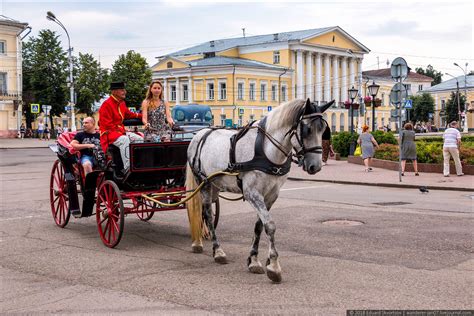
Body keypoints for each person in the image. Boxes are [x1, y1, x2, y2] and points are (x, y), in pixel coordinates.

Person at [99, 81, 143, 175]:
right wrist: (122, 130)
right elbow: (107, 125)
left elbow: (128, 114)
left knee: (139, 139)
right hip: (108, 134)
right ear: (114, 92)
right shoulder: (106, 104)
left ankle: (138, 165)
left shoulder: (121, 103)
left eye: (124, 90)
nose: (125, 92)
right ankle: (128, 168)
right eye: (122, 90)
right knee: (125, 140)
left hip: (119, 132)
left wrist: (142, 116)